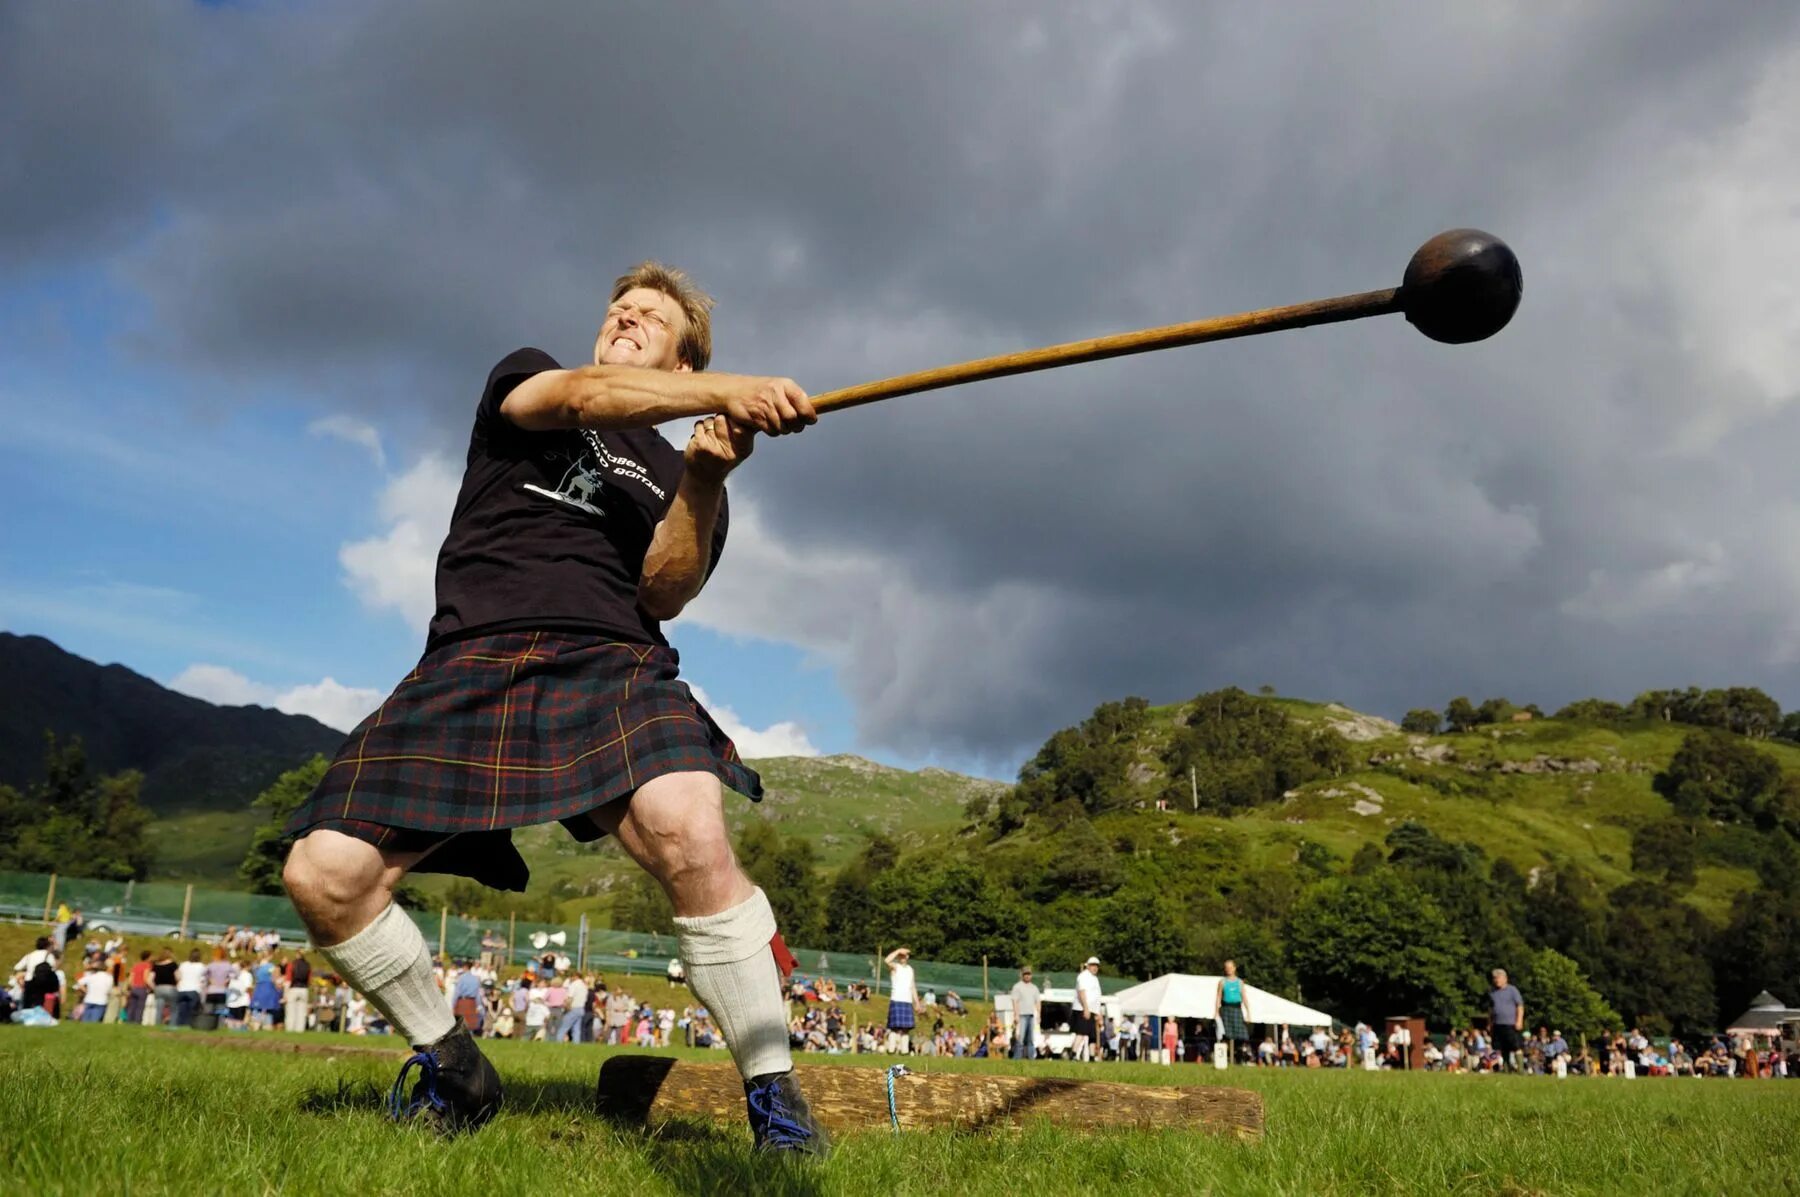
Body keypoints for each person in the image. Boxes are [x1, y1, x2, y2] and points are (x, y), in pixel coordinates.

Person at [277, 263, 824, 1148]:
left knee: (686, 823)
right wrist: (741, 386)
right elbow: (583, 394)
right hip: (471, 657)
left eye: (649, 316)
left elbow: (665, 588)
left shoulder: (681, 459)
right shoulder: (532, 379)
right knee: (323, 875)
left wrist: (703, 479)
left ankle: (774, 1100)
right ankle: (455, 1065)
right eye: (619, 309)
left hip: (611, 658)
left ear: (681, 367)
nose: (624, 317)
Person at [1488, 968, 1525, 1072]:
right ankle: (1506, 1069)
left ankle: (1520, 1069)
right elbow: (1491, 1009)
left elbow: (1520, 1006)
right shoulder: (1492, 992)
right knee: (1503, 1048)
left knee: (1516, 1046)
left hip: (1511, 1024)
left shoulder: (1512, 990)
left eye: (1498, 978)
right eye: (1494, 978)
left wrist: (1519, 1020)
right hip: (1497, 1024)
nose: (1496, 980)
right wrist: (1490, 1023)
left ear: (1505, 978)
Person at [884, 947, 918, 1052]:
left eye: (904, 956)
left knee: (906, 1028)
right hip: (896, 999)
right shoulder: (895, 967)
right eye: (900, 956)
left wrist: (917, 1002)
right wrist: (898, 950)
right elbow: (886, 960)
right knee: (894, 1027)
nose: (902, 958)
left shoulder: (910, 970)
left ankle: (905, 1051)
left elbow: (912, 986)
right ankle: (891, 1049)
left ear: (907, 957)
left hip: (907, 1001)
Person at [1217, 960, 1250, 1066]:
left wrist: (1248, 1012)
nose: (1229, 969)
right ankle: (1225, 1059)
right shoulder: (1222, 982)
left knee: (1241, 1035)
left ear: (1234, 968)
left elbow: (1244, 997)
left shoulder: (1240, 982)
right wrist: (1216, 1012)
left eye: (1230, 967)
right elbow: (1218, 997)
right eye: (1227, 967)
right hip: (1226, 1009)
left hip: (1237, 1009)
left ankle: (1238, 1057)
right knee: (1226, 1035)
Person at [1008, 967, 1042, 1060]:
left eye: (1029, 974)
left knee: (1030, 1038)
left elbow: (1038, 1002)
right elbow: (1015, 1001)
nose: (1027, 976)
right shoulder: (1017, 987)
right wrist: (1016, 1015)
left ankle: (1031, 1058)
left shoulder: (1034, 988)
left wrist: (1039, 1015)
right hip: (1021, 1015)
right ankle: (1017, 1058)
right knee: (1020, 1038)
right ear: (1022, 975)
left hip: (1031, 1016)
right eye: (1025, 974)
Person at [1076, 957, 1104, 1062]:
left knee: (1092, 1034)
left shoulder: (1095, 979)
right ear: (1088, 966)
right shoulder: (1083, 977)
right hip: (1085, 1009)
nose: (1095, 967)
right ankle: (1074, 1054)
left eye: (1096, 966)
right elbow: (1082, 993)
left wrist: (1099, 1012)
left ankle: (1092, 1056)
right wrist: (1086, 1008)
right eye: (1092, 965)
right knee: (1082, 1032)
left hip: (1094, 1010)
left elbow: (1097, 997)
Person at [285, 952, 313, 1033]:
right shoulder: (308, 965)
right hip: (304, 989)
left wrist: (286, 993)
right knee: (302, 1011)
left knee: (291, 1010)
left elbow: (288, 979)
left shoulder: (292, 964)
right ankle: (300, 1030)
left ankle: (290, 1029)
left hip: (293, 988)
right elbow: (309, 980)